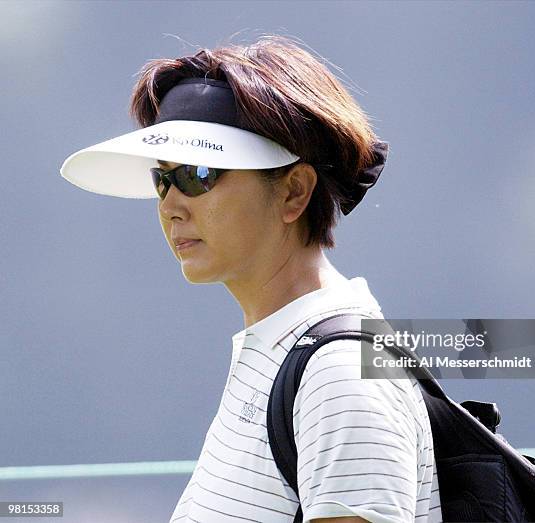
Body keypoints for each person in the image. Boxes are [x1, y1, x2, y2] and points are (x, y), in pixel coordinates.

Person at [61, 35, 442, 523]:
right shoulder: (281, 349)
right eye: (163, 177)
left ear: (294, 192)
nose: (170, 206)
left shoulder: (338, 372)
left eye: (199, 174)